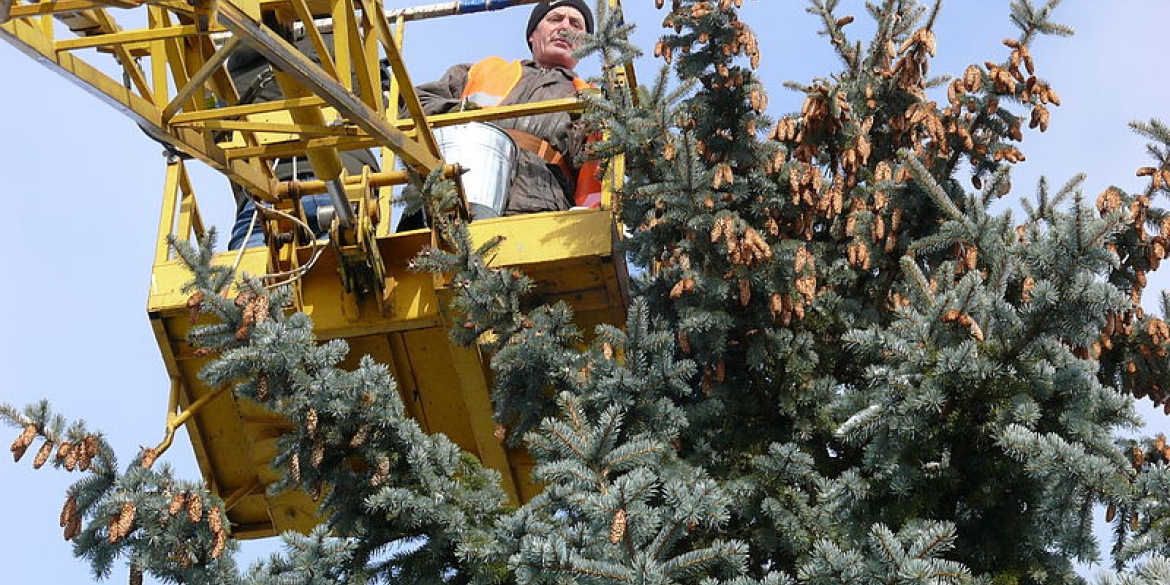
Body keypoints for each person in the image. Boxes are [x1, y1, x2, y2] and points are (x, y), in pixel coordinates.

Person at [397, 0, 597, 230]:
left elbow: (601, 165)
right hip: (454, 193)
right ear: (532, 34)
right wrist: (457, 113)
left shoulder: (589, 98)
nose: (565, 28)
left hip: (537, 209)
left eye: (575, 24)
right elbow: (416, 103)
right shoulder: (482, 71)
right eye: (555, 19)